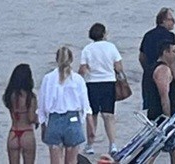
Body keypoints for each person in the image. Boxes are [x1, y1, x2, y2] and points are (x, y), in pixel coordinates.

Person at [79, 23, 125, 158]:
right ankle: (113, 144)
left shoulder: (87, 49)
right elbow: (118, 66)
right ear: (104, 34)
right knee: (108, 115)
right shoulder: (111, 47)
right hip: (108, 82)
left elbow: (83, 69)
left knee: (92, 115)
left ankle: (90, 144)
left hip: (92, 84)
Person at [37, 47, 87, 164]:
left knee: (55, 160)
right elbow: (85, 105)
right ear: (71, 59)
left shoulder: (48, 78)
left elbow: (42, 105)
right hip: (73, 119)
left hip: (54, 120)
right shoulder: (78, 79)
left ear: (56, 59)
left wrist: (43, 124)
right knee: (71, 161)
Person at [144, 42, 175, 164]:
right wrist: (168, 119)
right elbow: (164, 96)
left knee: (153, 149)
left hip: (157, 115)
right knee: (173, 149)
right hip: (162, 117)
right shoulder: (162, 69)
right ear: (165, 52)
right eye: (174, 52)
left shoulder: (153, 68)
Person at [138, 9, 175, 110]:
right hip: (164, 72)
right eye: (171, 19)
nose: (174, 22)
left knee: (152, 107)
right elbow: (172, 60)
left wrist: (148, 69)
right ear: (163, 21)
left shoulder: (148, 35)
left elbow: (141, 57)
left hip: (149, 74)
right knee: (168, 104)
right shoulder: (169, 36)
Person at [2, 63, 38, 164]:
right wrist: (39, 118)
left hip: (13, 132)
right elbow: (31, 118)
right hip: (27, 132)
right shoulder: (30, 97)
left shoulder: (9, 95)